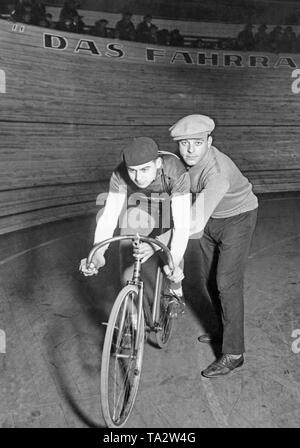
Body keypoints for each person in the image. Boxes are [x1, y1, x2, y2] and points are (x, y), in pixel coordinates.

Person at [169, 115, 258, 378]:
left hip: (237, 219)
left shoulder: (217, 171)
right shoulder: (180, 164)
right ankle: (222, 330)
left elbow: (192, 226)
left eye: (197, 142)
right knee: (209, 280)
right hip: (209, 217)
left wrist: (156, 244)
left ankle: (233, 353)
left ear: (209, 141)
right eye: (184, 143)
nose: (191, 150)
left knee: (226, 283)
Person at [79, 137, 191, 308]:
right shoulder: (119, 174)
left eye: (145, 169)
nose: (138, 177)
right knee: (128, 246)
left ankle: (176, 291)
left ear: (158, 163)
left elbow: (182, 226)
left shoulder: (176, 170)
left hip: (170, 203)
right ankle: (132, 317)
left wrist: (173, 260)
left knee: (171, 253)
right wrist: (98, 252)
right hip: (143, 204)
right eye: (133, 171)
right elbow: (109, 215)